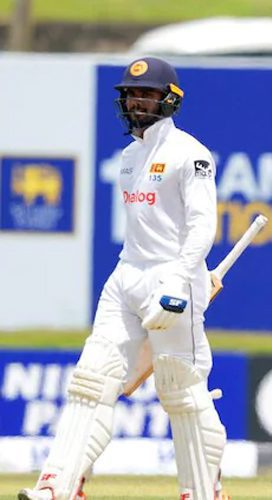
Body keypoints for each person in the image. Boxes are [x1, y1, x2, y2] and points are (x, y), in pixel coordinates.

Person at [19, 57, 225, 500]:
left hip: (173, 278)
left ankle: (204, 491)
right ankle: (59, 485)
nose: (136, 101)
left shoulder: (191, 154)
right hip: (127, 273)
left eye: (146, 94)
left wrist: (181, 279)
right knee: (91, 379)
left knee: (181, 391)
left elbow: (202, 226)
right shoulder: (130, 157)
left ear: (170, 100)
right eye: (131, 94)